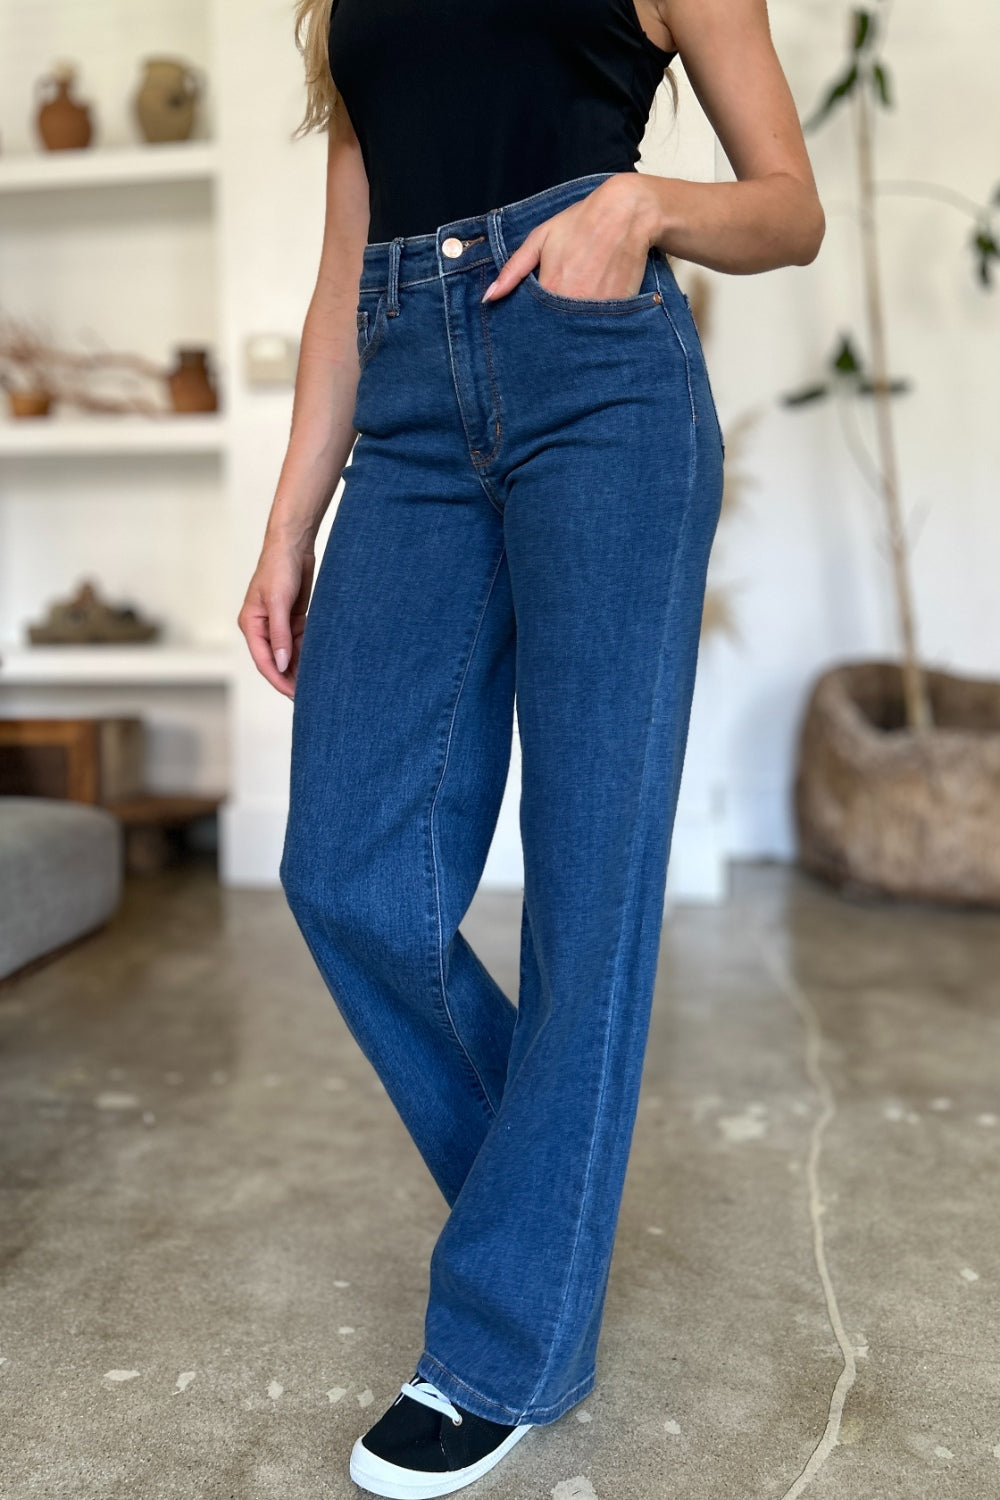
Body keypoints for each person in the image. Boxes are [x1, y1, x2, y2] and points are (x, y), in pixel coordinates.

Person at [237, 0, 824, 1494]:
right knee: (350, 873)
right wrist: (289, 524)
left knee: (590, 886)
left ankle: (506, 1342)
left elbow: (787, 211)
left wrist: (640, 205)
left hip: (602, 391)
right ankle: (549, 1217)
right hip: (410, 409)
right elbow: (333, 285)